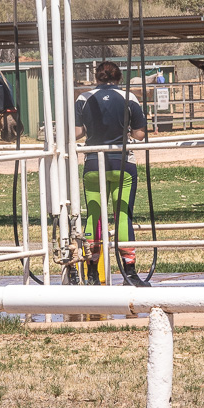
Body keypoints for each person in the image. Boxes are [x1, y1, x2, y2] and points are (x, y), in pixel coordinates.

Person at [74, 61, 150, 287]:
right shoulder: (130, 98)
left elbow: (77, 132)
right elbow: (139, 135)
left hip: (93, 165)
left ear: (97, 78)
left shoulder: (83, 98)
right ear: (119, 78)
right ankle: (129, 273)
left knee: (94, 216)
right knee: (123, 216)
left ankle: (92, 274)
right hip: (123, 164)